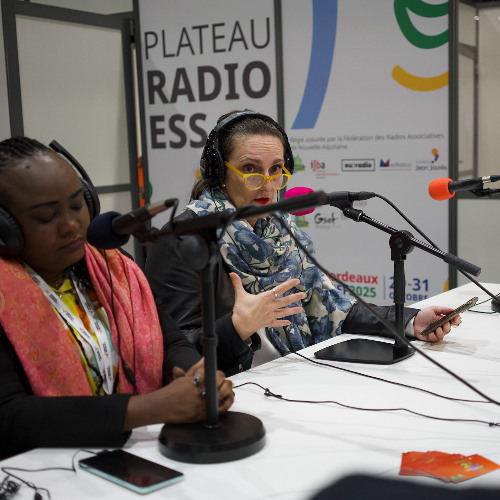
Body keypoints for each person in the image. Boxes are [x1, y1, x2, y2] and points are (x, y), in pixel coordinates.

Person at [145, 110, 461, 376]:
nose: (267, 184)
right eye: (250, 169)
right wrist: (237, 327)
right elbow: (173, 356)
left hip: (295, 378)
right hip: (237, 394)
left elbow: (333, 308)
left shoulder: (281, 231)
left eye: (276, 170)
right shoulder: (183, 240)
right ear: (218, 173)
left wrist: (410, 320)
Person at [0, 137, 234, 460]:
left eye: (77, 205)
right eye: (46, 217)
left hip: (130, 453)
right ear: (4, 228)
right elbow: (9, 414)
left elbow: (171, 342)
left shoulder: (113, 266)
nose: (71, 225)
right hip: (43, 467)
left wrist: (197, 376)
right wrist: (146, 409)